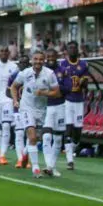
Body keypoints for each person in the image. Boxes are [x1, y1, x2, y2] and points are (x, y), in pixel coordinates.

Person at [10, 51, 60, 178]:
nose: (38, 61)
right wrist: (15, 100)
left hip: (41, 110)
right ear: (32, 60)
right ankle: (36, 169)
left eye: (41, 59)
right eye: (36, 59)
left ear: (44, 61)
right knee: (32, 137)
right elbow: (13, 87)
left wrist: (44, 93)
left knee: (35, 138)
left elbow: (57, 93)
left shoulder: (49, 74)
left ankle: (25, 153)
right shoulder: (25, 73)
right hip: (26, 108)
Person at [60, 41, 90, 170]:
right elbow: (59, 82)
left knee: (77, 132)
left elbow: (86, 85)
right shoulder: (62, 64)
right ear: (66, 50)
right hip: (67, 101)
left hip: (79, 101)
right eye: (70, 48)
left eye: (74, 48)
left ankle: (71, 148)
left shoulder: (83, 65)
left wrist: (82, 82)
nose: (72, 50)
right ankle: (69, 160)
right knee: (69, 129)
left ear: (77, 50)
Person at [42, 48, 67, 177]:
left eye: (53, 56)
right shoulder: (42, 71)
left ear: (56, 57)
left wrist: (54, 89)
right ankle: (48, 165)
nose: (51, 58)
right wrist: (55, 90)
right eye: (49, 56)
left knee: (57, 139)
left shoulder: (62, 70)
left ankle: (52, 166)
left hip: (61, 106)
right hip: (47, 107)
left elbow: (67, 88)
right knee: (46, 136)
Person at [8, 55, 30, 168]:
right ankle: (20, 159)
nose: (23, 64)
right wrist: (15, 100)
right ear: (18, 64)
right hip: (17, 108)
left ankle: (27, 157)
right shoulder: (13, 76)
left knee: (30, 134)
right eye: (21, 62)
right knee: (19, 133)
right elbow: (8, 91)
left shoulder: (32, 74)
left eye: (25, 62)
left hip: (30, 109)